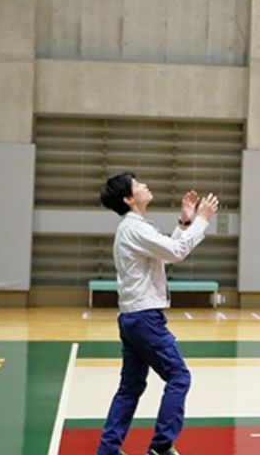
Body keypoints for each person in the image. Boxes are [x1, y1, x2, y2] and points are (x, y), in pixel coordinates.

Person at [96, 172, 219, 455]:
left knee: (130, 387)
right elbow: (176, 252)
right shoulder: (135, 228)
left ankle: (108, 450)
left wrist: (185, 222)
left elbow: (164, 251)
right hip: (144, 318)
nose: (144, 185)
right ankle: (161, 447)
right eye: (137, 185)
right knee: (179, 376)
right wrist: (202, 219)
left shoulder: (134, 227)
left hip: (131, 317)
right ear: (128, 199)